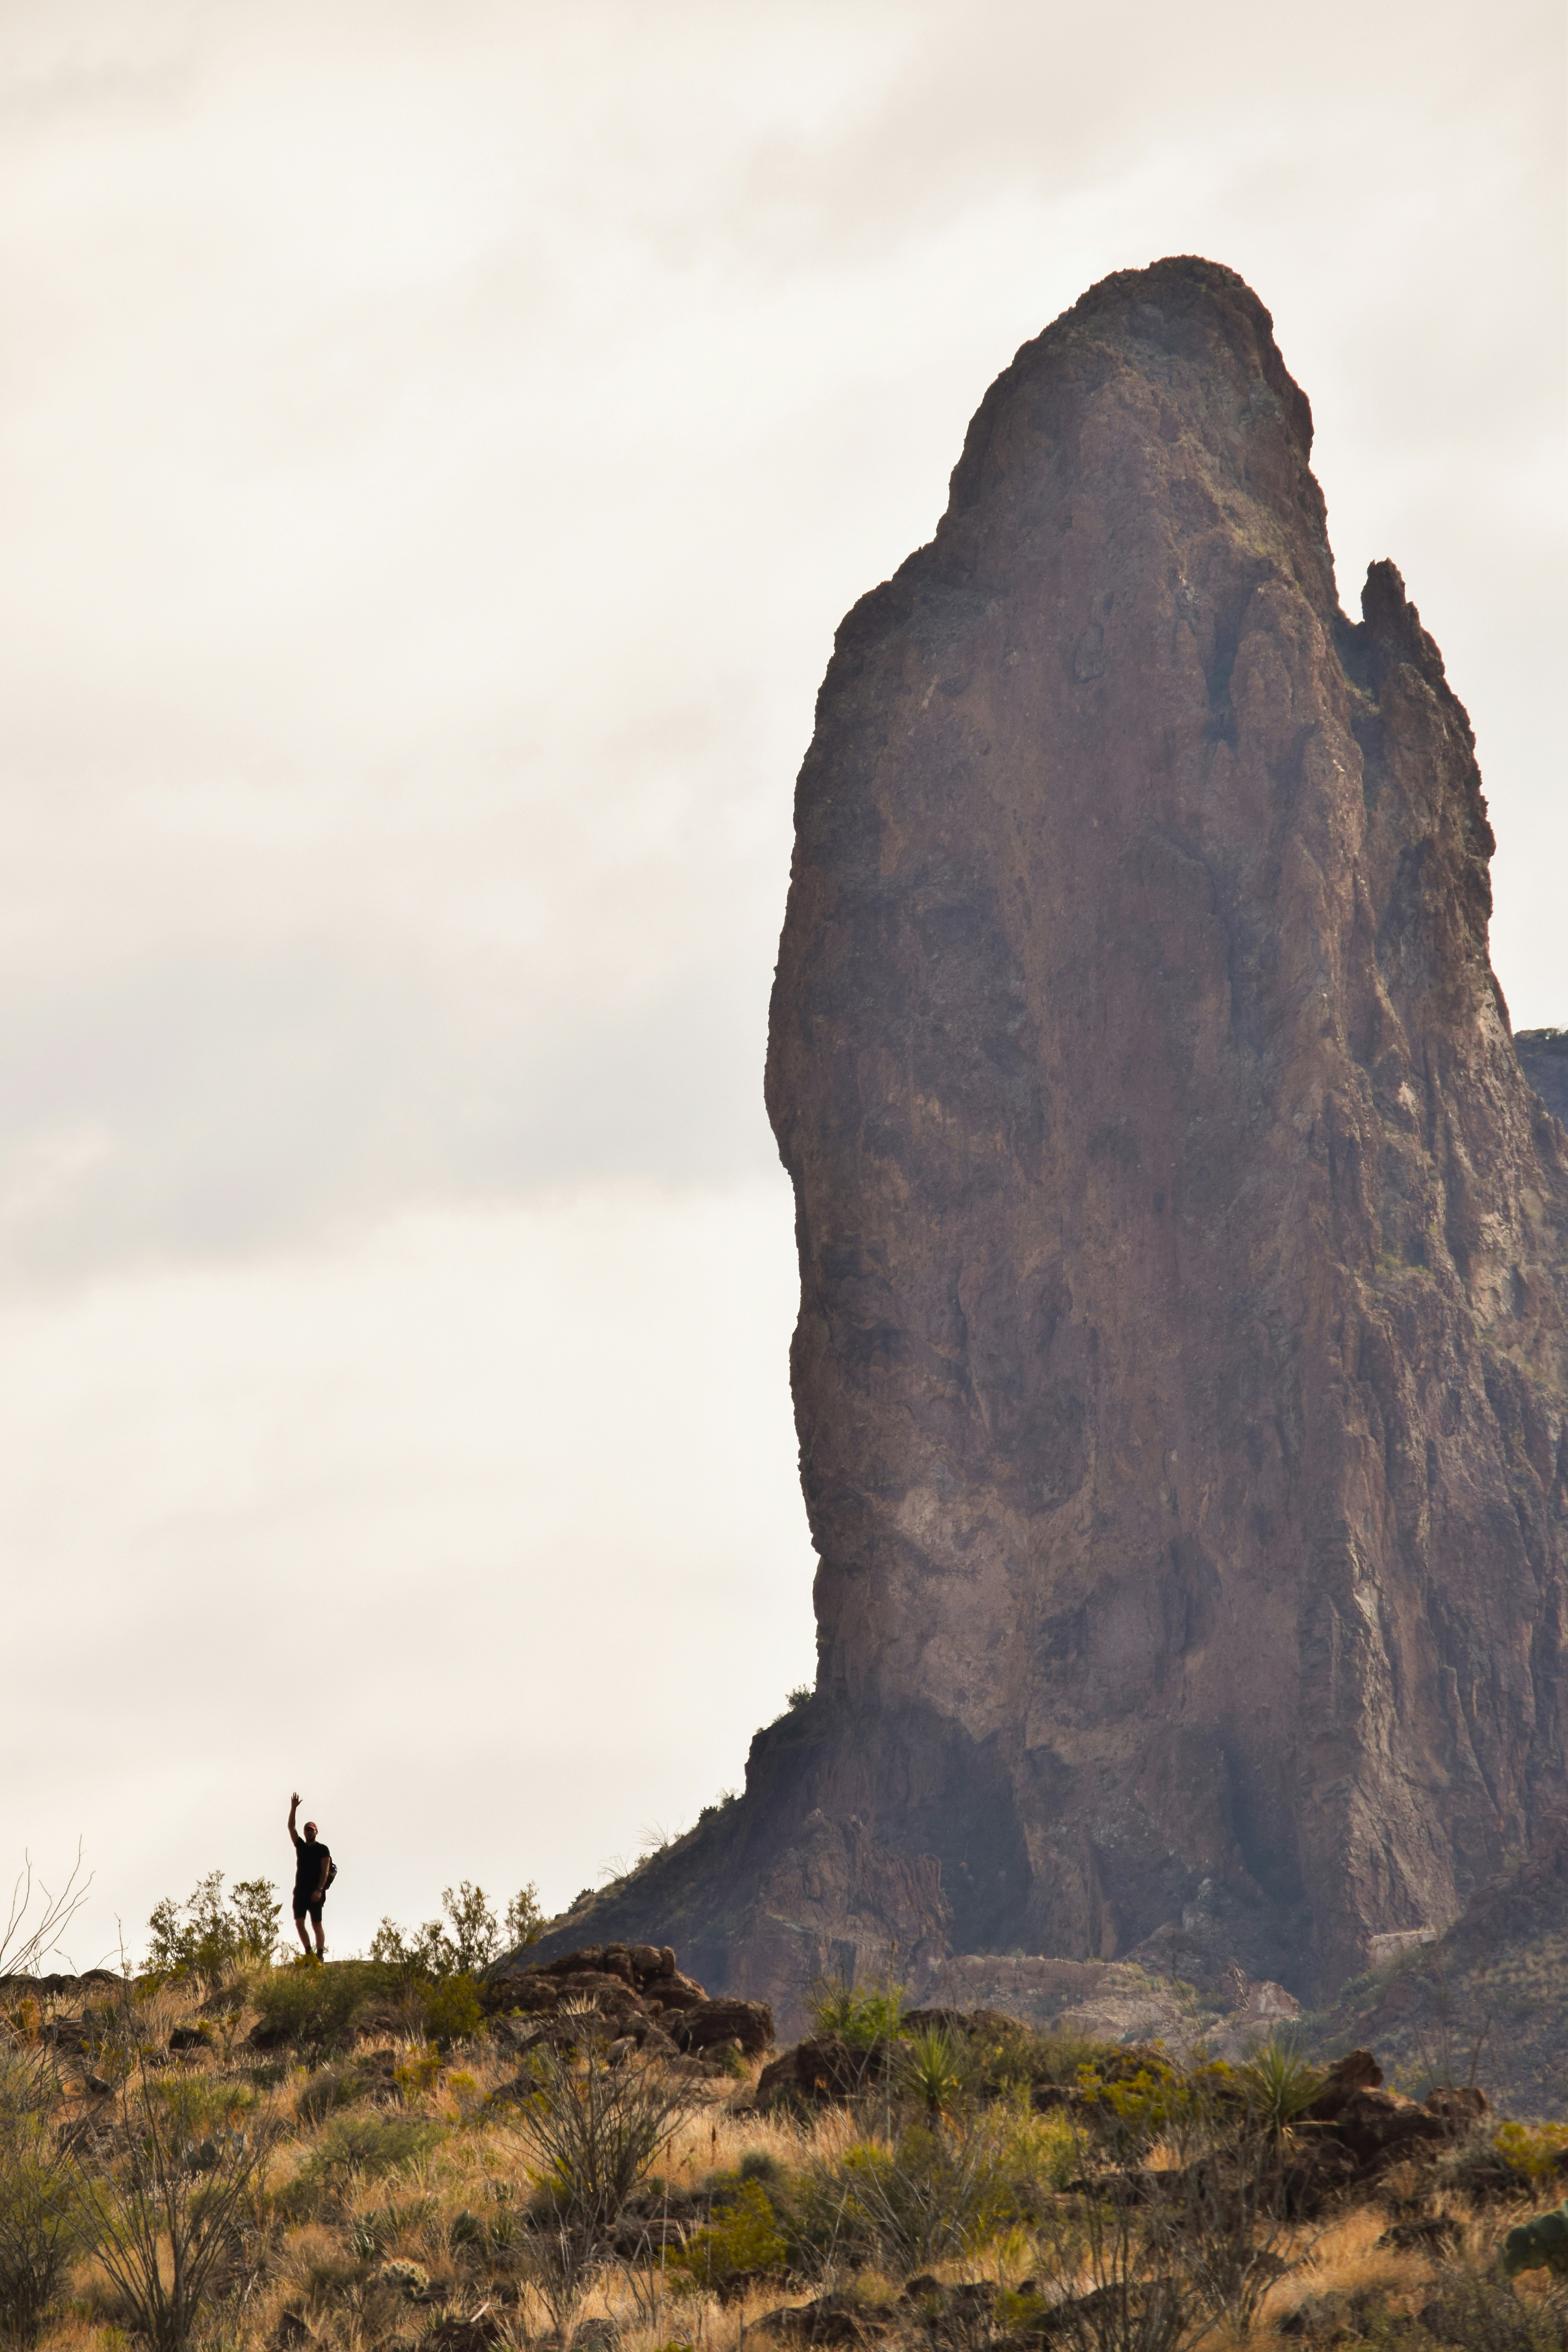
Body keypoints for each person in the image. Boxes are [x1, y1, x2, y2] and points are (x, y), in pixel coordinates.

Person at [287, 1791, 333, 1959]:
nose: (309, 1832)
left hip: (316, 1891)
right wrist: (293, 1809)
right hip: (300, 1892)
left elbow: (326, 1871)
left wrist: (319, 1890)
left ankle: (320, 1955)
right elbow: (291, 1828)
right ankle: (309, 1953)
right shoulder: (301, 1846)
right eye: (307, 1830)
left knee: (316, 1924)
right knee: (300, 1923)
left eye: (311, 1830)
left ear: (316, 1832)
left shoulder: (322, 1849)